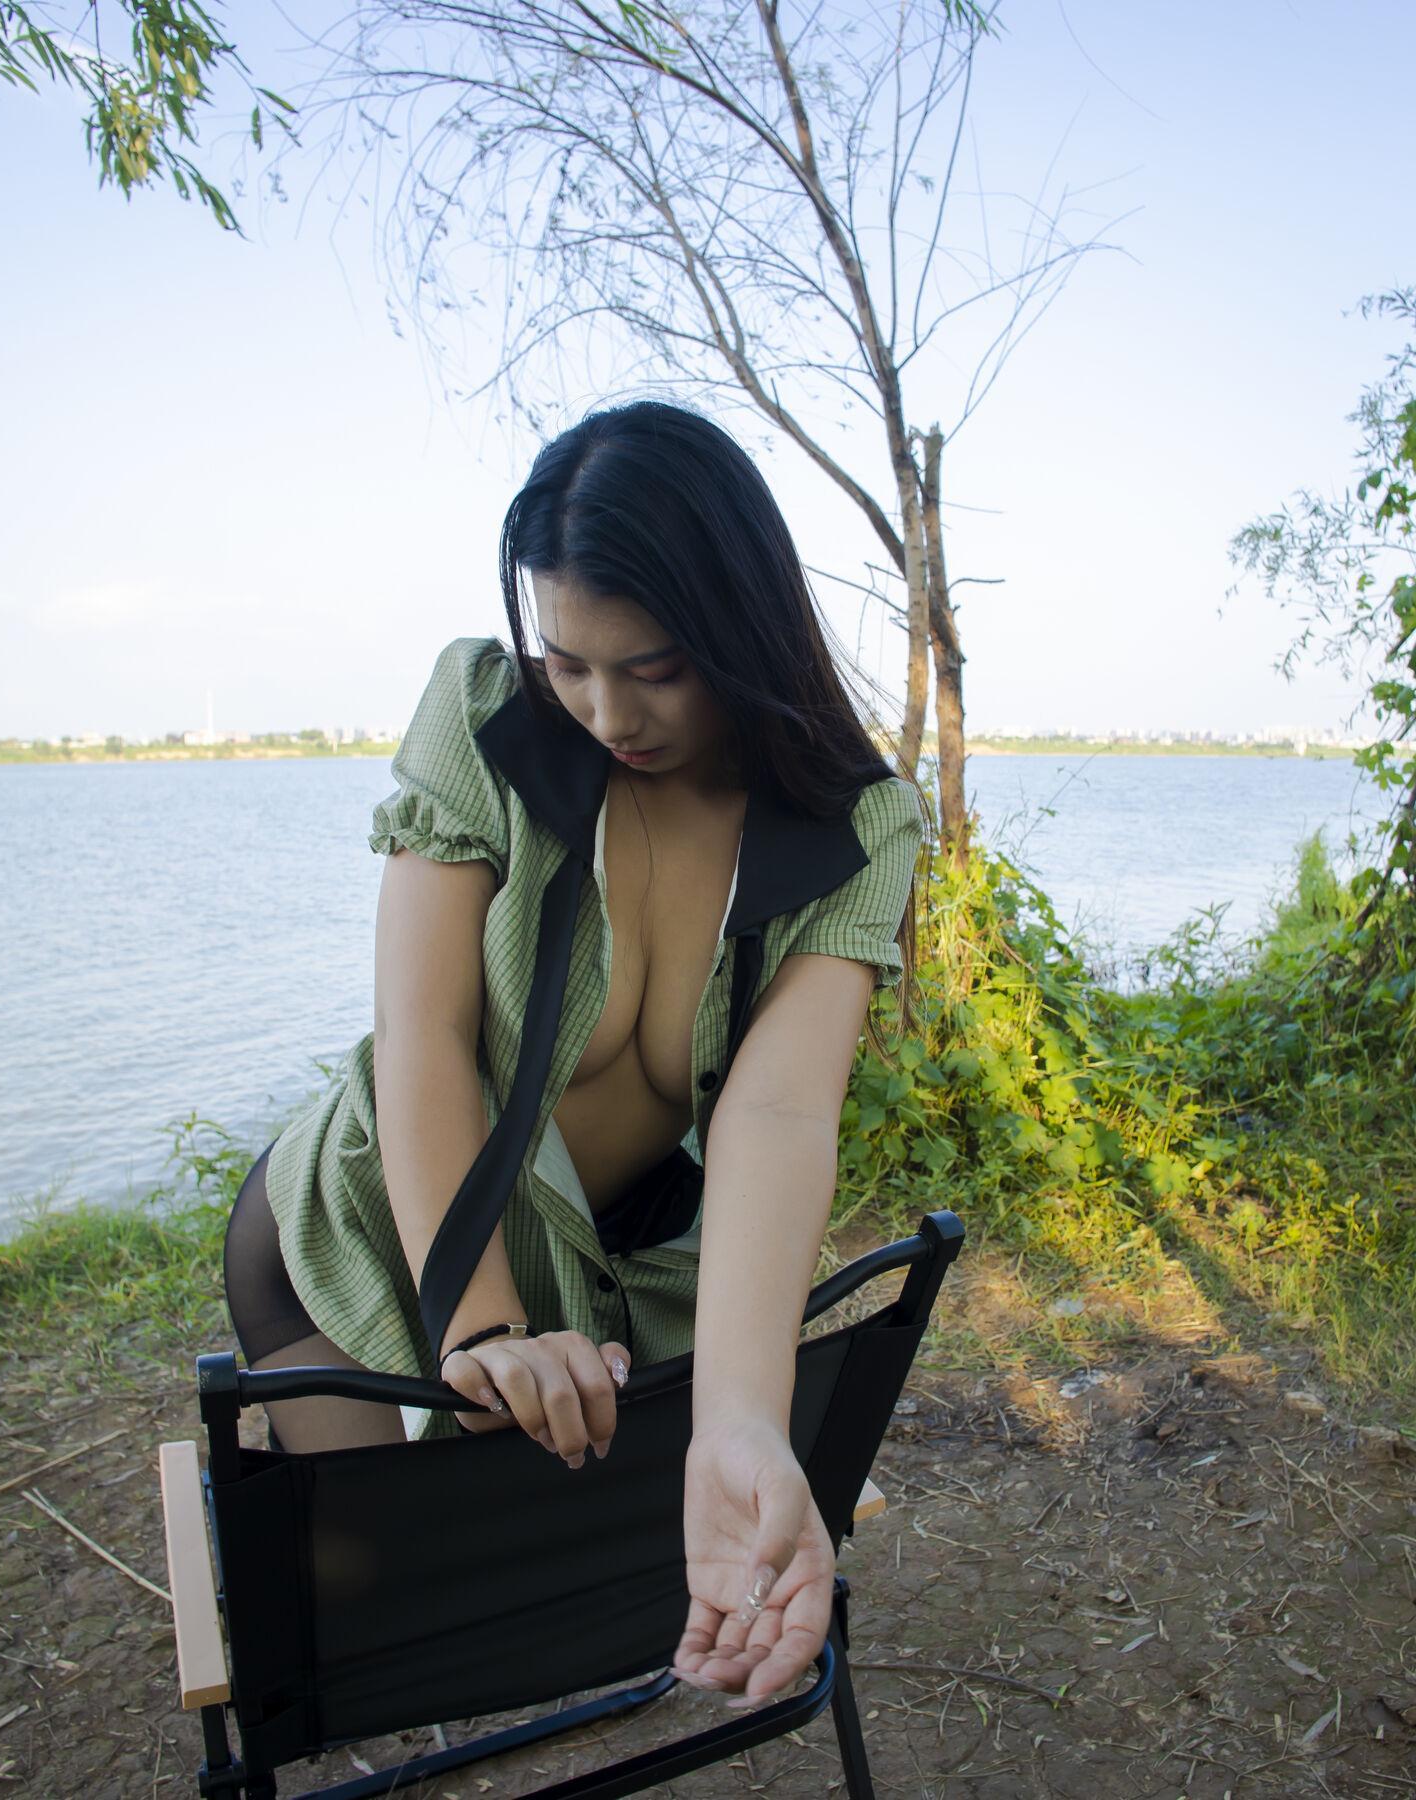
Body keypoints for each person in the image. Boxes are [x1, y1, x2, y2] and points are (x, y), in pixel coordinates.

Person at [220, 399, 927, 1709]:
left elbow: (778, 1115)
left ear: (743, 627)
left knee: (498, 1598)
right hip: (365, 1233)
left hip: (607, 1282)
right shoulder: (486, 718)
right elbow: (425, 1036)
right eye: (570, 662)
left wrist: (743, 1420)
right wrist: (483, 1323)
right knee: (383, 1613)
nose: (608, 712)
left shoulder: (853, 830)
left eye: (654, 667)